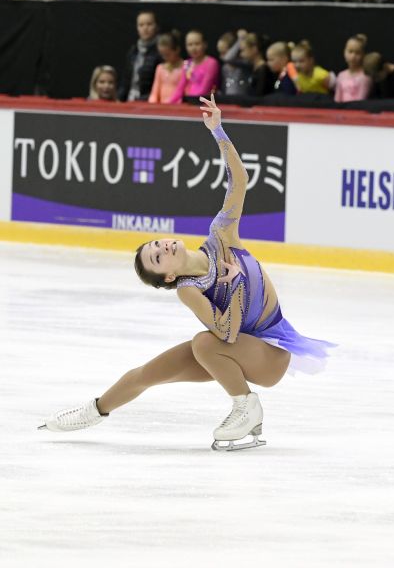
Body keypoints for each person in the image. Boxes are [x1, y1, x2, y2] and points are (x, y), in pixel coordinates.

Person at [40, 95, 336, 450]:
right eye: (157, 257)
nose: (162, 247)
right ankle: (93, 411)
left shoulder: (221, 235)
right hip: (234, 348)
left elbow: (238, 181)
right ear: (168, 277)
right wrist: (236, 285)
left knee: (202, 343)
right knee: (148, 373)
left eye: (157, 244)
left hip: (270, 352)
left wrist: (218, 130)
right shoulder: (189, 289)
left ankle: (246, 405)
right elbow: (226, 333)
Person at [119, 10, 162, 102]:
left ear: (156, 26)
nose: (145, 28)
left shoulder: (161, 52)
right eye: (141, 25)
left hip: (148, 102)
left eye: (149, 24)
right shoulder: (133, 51)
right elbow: (126, 81)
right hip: (129, 99)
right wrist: (119, 99)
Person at [170, 29, 221, 103]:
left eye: (197, 44)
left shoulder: (211, 63)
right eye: (190, 45)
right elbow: (180, 88)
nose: (193, 48)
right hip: (191, 102)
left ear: (205, 45)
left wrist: (192, 101)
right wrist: (169, 103)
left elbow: (205, 88)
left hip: (206, 104)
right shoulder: (187, 63)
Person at [334, 34, 373, 103]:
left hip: (356, 112)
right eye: (350, 51)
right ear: (344, 52)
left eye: (357, 53)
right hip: (340, 111)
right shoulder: (341, 75)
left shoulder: (365, 77)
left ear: (363, 55)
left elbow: (360, 102)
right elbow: (337, 101)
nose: (353, 56)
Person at [148, 30, 184, 103]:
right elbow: (154, 92)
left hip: (178, 107)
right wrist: (152, 103)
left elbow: (184, 90)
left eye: (167, 54)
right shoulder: (160, 68)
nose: (164, 58)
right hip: (161, 107)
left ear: (177, 50)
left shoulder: (185, 67)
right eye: (162, 55)